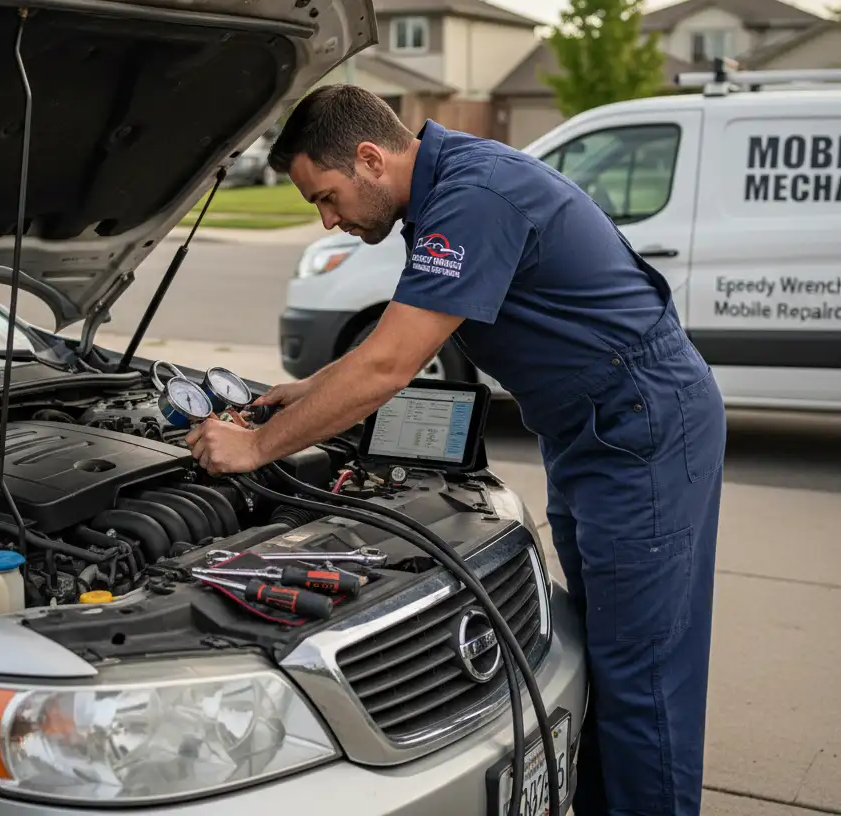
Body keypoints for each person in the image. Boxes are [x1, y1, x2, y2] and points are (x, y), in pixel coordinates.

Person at [185, 83, 726, 816]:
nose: (329, 220)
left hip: (641, 425)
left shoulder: (473, 198)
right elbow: (392, 342)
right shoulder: (448, 187)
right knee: (612, 652)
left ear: (371, 158)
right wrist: (306, 391)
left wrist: (253, 448)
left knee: (643, 676)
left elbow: (388, 366)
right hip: (596, 426)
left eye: (327, 196)